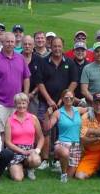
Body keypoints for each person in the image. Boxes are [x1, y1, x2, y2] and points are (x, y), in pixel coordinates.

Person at [32, 36, 79, 169]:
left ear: (62, 47)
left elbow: (74, 81)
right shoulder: (43, 61)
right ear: (50, 47)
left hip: (65, 104)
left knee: (61, 131)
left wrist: (64, 98)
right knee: (45, 130)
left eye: (59, 46)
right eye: (54, 46)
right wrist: (48, 99)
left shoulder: (70, 62)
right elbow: (39, 82)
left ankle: (58, 159)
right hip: (45, 102)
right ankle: (45, 159)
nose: (57, 49)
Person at [0, 32, 31, 129]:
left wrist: (25, 96)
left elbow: (26, 78)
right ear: (2, 43)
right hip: (0, 104)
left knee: (16, 132)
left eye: (12, 42)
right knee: (0, 133)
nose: (10, 44)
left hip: (17, 105)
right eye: (7, 41)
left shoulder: (20, 58)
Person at [44, 90, 87, 182]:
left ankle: (63, 168)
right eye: (66, 97)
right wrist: (47, 115)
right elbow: (47, 127)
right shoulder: (58, 113)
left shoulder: (78, 110)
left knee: (70, 176)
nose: (69, 99)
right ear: (62, 99)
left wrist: (90, 111)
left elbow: (91, 109)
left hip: (76, 144)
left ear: (74, 99)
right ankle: (63, 173)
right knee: (65, 153)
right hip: (62, 143)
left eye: (71, 97)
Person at [4, 93, 45, 181]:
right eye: (19, 103)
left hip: (29, 150)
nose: (21, 106)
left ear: (27, 103)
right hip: (15, 151)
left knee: (36, 160)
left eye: (23, 103)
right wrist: (22, 151)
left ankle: (30, 168)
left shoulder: (33, 118)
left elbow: (41, 138)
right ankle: (16, 168)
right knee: (18, 178)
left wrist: (37, 150)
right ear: (15, 104)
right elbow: (7, 142)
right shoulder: (10, 120)